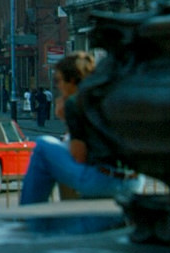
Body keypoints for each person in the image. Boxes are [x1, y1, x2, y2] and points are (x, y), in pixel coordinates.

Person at [19, 52, 141, 205]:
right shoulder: (110, 96)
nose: (58, 86)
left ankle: (28, 215)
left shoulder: (74, 103)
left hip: (102, 180)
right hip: (133, 181)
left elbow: (79, 156)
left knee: (43, 146)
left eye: (59, 80)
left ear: (71, 80)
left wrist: (66, 119)